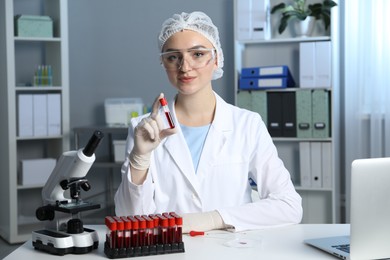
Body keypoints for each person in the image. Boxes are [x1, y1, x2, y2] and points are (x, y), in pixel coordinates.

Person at [115, 11, 302, 232]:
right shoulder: (144, 129)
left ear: (217, 59)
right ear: (163, 62)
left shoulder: (247, 125)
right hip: (168, 251)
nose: (185, 67)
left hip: (231, 250)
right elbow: (129, 219)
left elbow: (289, 206)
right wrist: (141, 158)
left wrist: (214, 219)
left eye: (197, 54)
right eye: (173, 56)